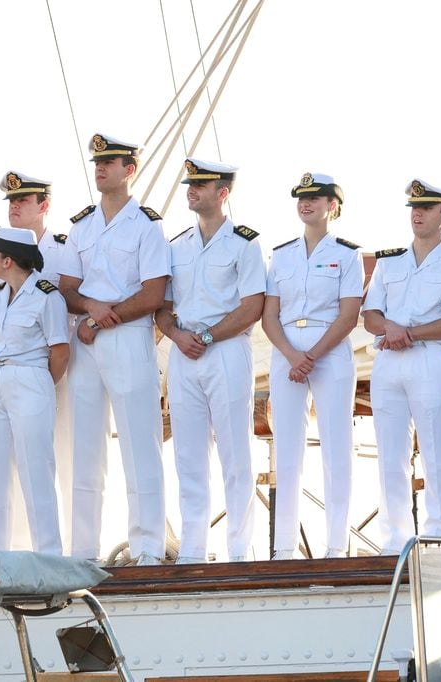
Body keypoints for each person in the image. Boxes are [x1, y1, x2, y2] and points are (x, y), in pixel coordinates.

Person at [58, 133, 170, 566]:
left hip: (126, 337)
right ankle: (82, 553)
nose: (100, 168)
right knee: (85, 448)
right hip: (86, 339)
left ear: (130, 169)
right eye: (97, 162)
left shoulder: (146, 225)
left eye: (110, 162)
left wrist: (105, 317)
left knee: (140, 444)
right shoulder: (82, 226)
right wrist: (90, 309)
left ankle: (147, 549)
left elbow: (154, 291)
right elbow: (67, 288)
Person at [155, 158, 265, 563]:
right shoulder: (176, 245)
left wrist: (205, 335)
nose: (192, 190)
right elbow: (162, 307)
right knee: (187, 455)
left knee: (236, 452)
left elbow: (252, 305)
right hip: (185, 352)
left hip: (226, 350)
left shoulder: (244, 243)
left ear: (223, 193)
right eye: (190, 184)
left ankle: (239, 548)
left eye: (201, 185)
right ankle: (193, 549)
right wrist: (179, 335)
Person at [361, 179, 441, 554]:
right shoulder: (390, 261)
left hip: (430, 358)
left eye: (426, 208)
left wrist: (406, 331)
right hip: (389, 361)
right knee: (390, 454)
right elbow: (371, 314)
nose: (418, 214)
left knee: (435, 449)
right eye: (414, 208)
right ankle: (394, 538)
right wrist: (391, 329)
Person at [262, 173, 362, 560]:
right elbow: (269, 314)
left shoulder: (348, 254)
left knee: (336, 449)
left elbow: (349, 314)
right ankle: (283, 547)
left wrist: (312, 356)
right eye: (302, 199)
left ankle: (337, 546)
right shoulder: (282, 255)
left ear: (332, 206)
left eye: (315, 199)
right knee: (287, 450)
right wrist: (292, 355)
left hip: (329, 349)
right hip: (287, 348)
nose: (306, 204)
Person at [0, 171, 75, 554]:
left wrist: (43, 382)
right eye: (11, 201)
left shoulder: (65, 248)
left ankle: (71, 548)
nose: (15, 206)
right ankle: (15, 549)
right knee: (9, 467)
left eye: (23, 201)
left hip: (65, 363)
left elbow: (74, 300)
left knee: (67, 455)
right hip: (19, 374)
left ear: (44, 206)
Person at [0, 227, 69, 554]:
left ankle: (49, 555)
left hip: (31, 379)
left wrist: (39, 387)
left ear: (8, 260)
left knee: (36, 471)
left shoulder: (47, 296)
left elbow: (60, 351)